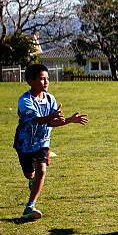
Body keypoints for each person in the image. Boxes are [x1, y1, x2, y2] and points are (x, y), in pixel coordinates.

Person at [13, 64, 88, 220]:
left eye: (47, 78)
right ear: (30, 81)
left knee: (42, 170)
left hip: (42, 142)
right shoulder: (25, 100)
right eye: (42, 79)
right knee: (29, 173)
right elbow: (37, 120)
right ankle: (31, 180)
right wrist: (52, 117)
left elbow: (52, 122)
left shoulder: (50, 98)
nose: (46, 82)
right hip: (24, 144)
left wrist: (68, 120)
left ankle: (30, 206)